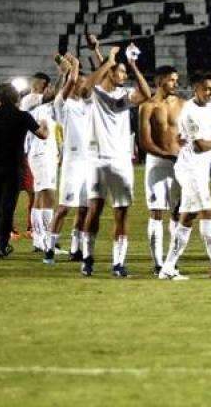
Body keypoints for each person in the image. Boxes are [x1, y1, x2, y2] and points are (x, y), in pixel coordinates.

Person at [159, 72, 211, 280]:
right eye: (206, 88)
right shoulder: (189, 112)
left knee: (187, 218)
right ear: (195, 88)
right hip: (190, 169)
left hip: (200, 170)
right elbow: (200, 145)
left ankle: (168, 268)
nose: (210, 92)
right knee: (208, 212)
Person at [80, 44, 151, 277]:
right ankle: (87, 259)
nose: (123, 76)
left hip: (121, 160)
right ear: (110, 72)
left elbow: (147, 94)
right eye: (120, 72)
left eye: (124, 73)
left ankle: (118, 263)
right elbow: (84, 88)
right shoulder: (95, 94)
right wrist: (109, 60)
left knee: (121, 212)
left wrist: (132, 65)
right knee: (94, 210)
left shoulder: (124, 95)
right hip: (96, 159)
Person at [46, 54, 93, 263]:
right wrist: (73, 66)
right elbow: (72, 80)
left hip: (90, 163)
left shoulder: (88, 105)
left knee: (84, 209)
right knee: (64, 208)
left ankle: (77, 249)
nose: (82, 85)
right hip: (72, 162)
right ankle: (49, 248)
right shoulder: (62, 105)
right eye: (79, 83)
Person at [139, 65, 184, 275]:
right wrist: (168, 156)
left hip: (179, 165)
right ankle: (157, 263)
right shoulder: (147, 107)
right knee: (157, 212)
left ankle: (171, 261)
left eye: (176, 79)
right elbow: (145, 142)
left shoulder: (183, 105)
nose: (176, 83)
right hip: (157, 164)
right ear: (159, 82)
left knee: (177, 214)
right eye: (171, 80)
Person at [0, 83, 47, 258]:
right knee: (7, 208)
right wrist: (45, 124)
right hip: (13, 168)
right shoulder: (23, 116)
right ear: (15, 97)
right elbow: (43, 134)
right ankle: (2, 245)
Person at [26, 82, 59, 259]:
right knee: (48, 196)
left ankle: (39, 240)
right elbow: (43, 132)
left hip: (44, 155)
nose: (52, 90)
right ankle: (46, 240)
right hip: (41, 155)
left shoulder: (48, 108)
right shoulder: (42, 110)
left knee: (40, 196)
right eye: (49, 88)